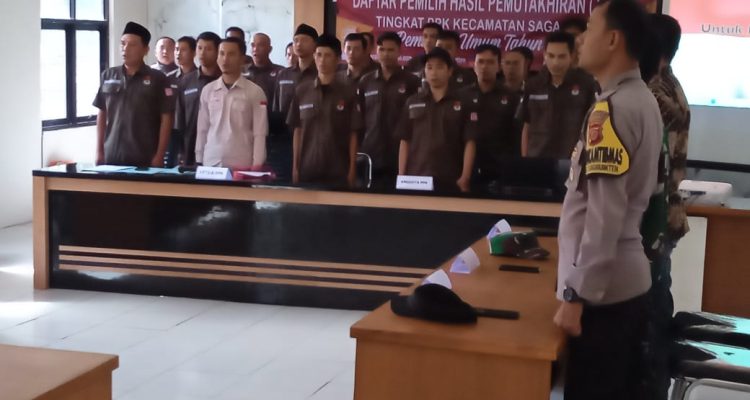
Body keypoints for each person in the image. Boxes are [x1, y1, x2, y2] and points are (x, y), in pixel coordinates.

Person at [552, 1, 663, 399]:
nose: (580, 39)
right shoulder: (640, 98)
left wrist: (577, 295)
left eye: (589, 28)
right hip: (620, 287)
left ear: (613, 39)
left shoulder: (611, 110)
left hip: (603, 296)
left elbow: (604, 217)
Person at [642, 13, 691, 400]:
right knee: (656, 305)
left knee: (649, 318)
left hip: (654, 218)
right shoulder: (668, 83)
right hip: (663, 215)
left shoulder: (653, 94)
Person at [93, 22, 175, 167]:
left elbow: (167, 118)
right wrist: (99, 151)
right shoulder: (108, 75)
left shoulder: (158, 78)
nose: (125, 49)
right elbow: (102, 113)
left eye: (132, 45)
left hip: (144, 157)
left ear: (145, 50)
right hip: (112, 155)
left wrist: (160, 155)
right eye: (123, 43)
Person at [397, 47, 477, 193]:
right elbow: (405, 140)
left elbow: (470, 142)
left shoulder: (463, 102)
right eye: (429, 67)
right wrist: (402, 176)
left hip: (451, 177)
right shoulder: (412, 101)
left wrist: (465, 177)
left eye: (439, 67)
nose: (434, 72)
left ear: (450, 71)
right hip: (416, 177)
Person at [287, 34, 362, 188]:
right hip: (308, 169)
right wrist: (295, 167)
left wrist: (352, 169)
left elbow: (353, 134)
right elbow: (298, 131)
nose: (322, 60)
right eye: (319, 55)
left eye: (328, 55)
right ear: (314, 56)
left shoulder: (348, 92)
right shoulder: (302, 91)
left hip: (338, 170)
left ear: (337, 59)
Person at [358, 32, 421, 187]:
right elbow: (360, 118)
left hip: (400, 155)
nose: (386, 54)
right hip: (371, 154)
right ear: (376, 51)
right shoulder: (366, 81)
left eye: (391, 50)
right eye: (382, 49)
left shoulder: (412, 81)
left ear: (399, 51)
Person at [521, 31, 597, 158]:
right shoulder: (533, 85)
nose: (555, 62)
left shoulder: (586, 84)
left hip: (573, 160)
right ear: (544, 55)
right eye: (551, 56)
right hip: (537, 159)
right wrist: (525, 160)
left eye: (561, 57)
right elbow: (526, 126)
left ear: (572, 56)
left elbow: (593, 124)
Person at [195, 37, 268, 169]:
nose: (225, 59)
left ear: (242, 59)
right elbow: (202, 128)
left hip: (241, 163)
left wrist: (257, 164)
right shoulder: (208, 90)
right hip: (211, 162)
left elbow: (260, 132)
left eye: (231, 54)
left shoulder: (255, 92)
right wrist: (199, 159)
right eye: (222, 54)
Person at [462, 44, 522, 183]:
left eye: (490, 62)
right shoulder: (461, 96)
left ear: (498, 66)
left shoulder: (512, 97)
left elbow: (516, 135)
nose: (484, 66)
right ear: (474, 65)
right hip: (468, 167)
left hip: (501, 167)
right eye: (480, 62)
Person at [271, 24, 319, 182]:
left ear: (315, 44)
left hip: (310, 141)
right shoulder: (283, 75)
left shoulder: (320, 74)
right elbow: (276, 108)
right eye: (296, 40)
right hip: (283, 142)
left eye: (304, 40)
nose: (298, 44)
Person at [177, 31, 222, 166]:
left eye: (208, 49)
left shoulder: (223, 81)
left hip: (218, 148)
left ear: (218, 51)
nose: (202, 53)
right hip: (190, 148)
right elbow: (180, 119)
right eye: (200, 48)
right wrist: (181, 151)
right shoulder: (186, 81)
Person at [164, 36, 197, 166]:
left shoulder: (200, 78)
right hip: (172, 131)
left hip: (193, 130)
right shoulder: (168, 78)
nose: (178, 53)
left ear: (193, 53)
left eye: (183, 50)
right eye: (177, 49)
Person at [246, 33, 284, 102]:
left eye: (260, 45)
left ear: (270, 49)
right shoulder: (243, 72)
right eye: (253, 45)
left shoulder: (281, 72)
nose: (255, 49)